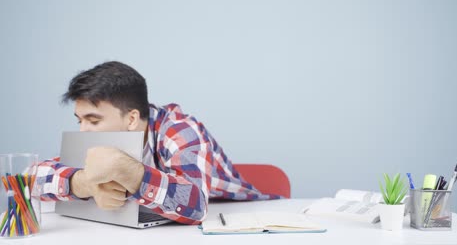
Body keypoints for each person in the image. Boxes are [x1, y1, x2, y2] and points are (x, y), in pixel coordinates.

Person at [36, 61, 280, 225]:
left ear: (132, 119)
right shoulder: (97, 139)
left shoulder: (181, 130)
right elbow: (31, 180)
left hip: (241, 217)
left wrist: (128, 171)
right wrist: (83, 184)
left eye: (93, 120)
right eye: (80, 120)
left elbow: (195, 204)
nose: (83, 130)